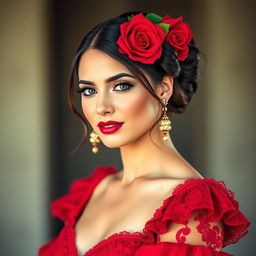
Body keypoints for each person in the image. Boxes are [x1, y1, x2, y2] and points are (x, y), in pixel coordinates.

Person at [38, 11, 250, 256]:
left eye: (121, 86)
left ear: (164, 88)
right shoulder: (96, 189)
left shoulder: (188, 206)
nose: (101, 107)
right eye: (88, 90)